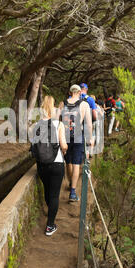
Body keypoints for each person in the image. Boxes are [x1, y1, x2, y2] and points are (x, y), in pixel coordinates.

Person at [31, 96, 68, 236]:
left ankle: (50, 215)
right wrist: (65, 149)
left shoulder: (35, 126)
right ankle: (50, 225)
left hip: (42, 165)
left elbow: (34, 145)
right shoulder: (58, 124)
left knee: (48, 191)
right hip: (56, 163)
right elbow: (63, 145)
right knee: (54, 195)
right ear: (53, 109)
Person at [61, 84, 93, 202]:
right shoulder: (84, 105)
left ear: (70, 93)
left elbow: (57, 120)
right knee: (76, 164)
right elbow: (89, 124)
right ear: (80, 93)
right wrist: (89, 139)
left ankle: (70, 183)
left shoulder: (62, 103)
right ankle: (73, 192)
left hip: (65, 136)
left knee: (68, 162)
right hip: (78, 136)